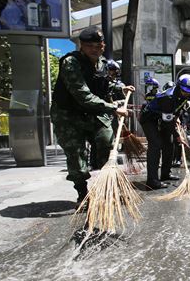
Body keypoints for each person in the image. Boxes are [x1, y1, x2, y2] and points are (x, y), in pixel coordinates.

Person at [50, 26, 131, 204]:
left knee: (107, 142)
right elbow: (83, 95)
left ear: (103, 45)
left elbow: (102, 84)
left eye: (99, 45)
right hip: (69, 115)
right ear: (82, 46)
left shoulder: (102, 63)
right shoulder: (71, 62)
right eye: (90, 46)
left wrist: (120, 88)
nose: (95, 49)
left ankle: (108, 186)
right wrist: (112, 108)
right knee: (76, 154)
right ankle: (82, 193)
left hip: (93, 112)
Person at [140, 74, 190, 189]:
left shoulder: (185, 96)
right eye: (185, 91)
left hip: (163, 117)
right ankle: (152, 180)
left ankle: (165, 174)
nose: (187, 93)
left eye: (189, 92)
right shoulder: (168, 97)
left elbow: (175, 112)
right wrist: (177, 136)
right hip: (149, 119)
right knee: (156, 144)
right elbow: (167, 123)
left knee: (169, 144)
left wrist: (176, 118)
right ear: (179, 87)